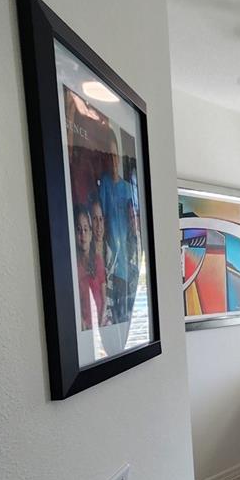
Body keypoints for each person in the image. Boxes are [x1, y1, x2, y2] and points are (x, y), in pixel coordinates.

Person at [98, 129, 137, 322]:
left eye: (116, 156)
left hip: (127, 262)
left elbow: (134, 225)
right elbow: (102, 220)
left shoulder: (128, 189)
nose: (113, 161)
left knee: (126, 311)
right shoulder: (104, 185)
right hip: (111, 261)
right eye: (110, 156)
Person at [74, 204, 106, 330]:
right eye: (79, 230)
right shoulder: (74, 267)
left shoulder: (98, 261)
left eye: (86, 229)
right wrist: (84, 325)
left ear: (91, 234)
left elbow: (104, 300)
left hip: (101, 325)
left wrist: (100, 324)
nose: (83, 234)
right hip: (85, 329)